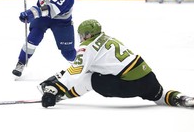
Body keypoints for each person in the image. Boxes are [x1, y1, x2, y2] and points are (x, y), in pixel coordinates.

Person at [39, 19, 194, 108]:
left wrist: (54, 89)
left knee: (88, 79)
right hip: (147, 76)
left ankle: (61, 96)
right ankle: (181, 98)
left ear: (86, 34)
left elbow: (76, 71)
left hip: (129, 83)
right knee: (160, 96)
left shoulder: (87, 47)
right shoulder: (107, 38)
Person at [12, 0, 76, 77]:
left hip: (61, 20)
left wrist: (31, 13)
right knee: (32, 39)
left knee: (68, 52)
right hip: (41, 16)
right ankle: (21, 62)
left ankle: (80, 66)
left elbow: (51, 10)